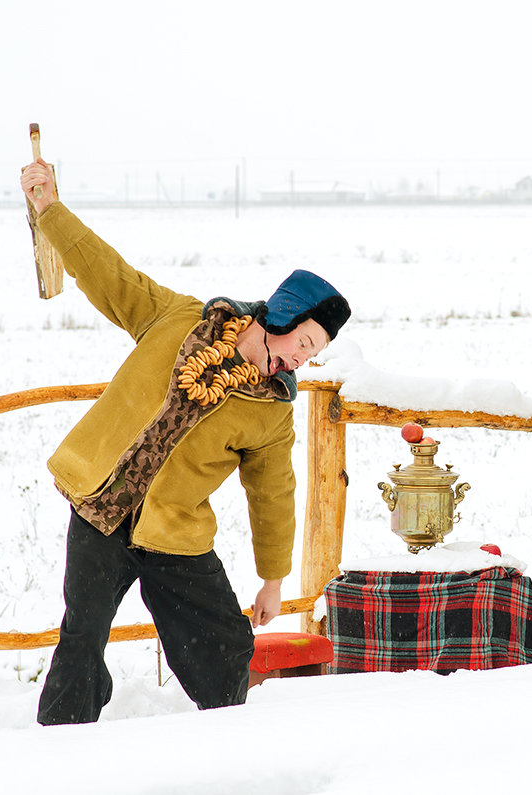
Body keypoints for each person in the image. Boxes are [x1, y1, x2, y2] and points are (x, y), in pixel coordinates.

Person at [20, 159, 351, 725]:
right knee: (81, 638)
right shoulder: (178, 320)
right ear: (285, 315)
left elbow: (273, 494)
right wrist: (49, 209)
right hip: (101, 510)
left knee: (224, 648)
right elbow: (109, 275)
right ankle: (64, 745)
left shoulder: (271, 411)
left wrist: (273, 580)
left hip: (173, 534)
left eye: (314, 352)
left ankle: (228, 744)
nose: (303, 358)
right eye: (305, 340)